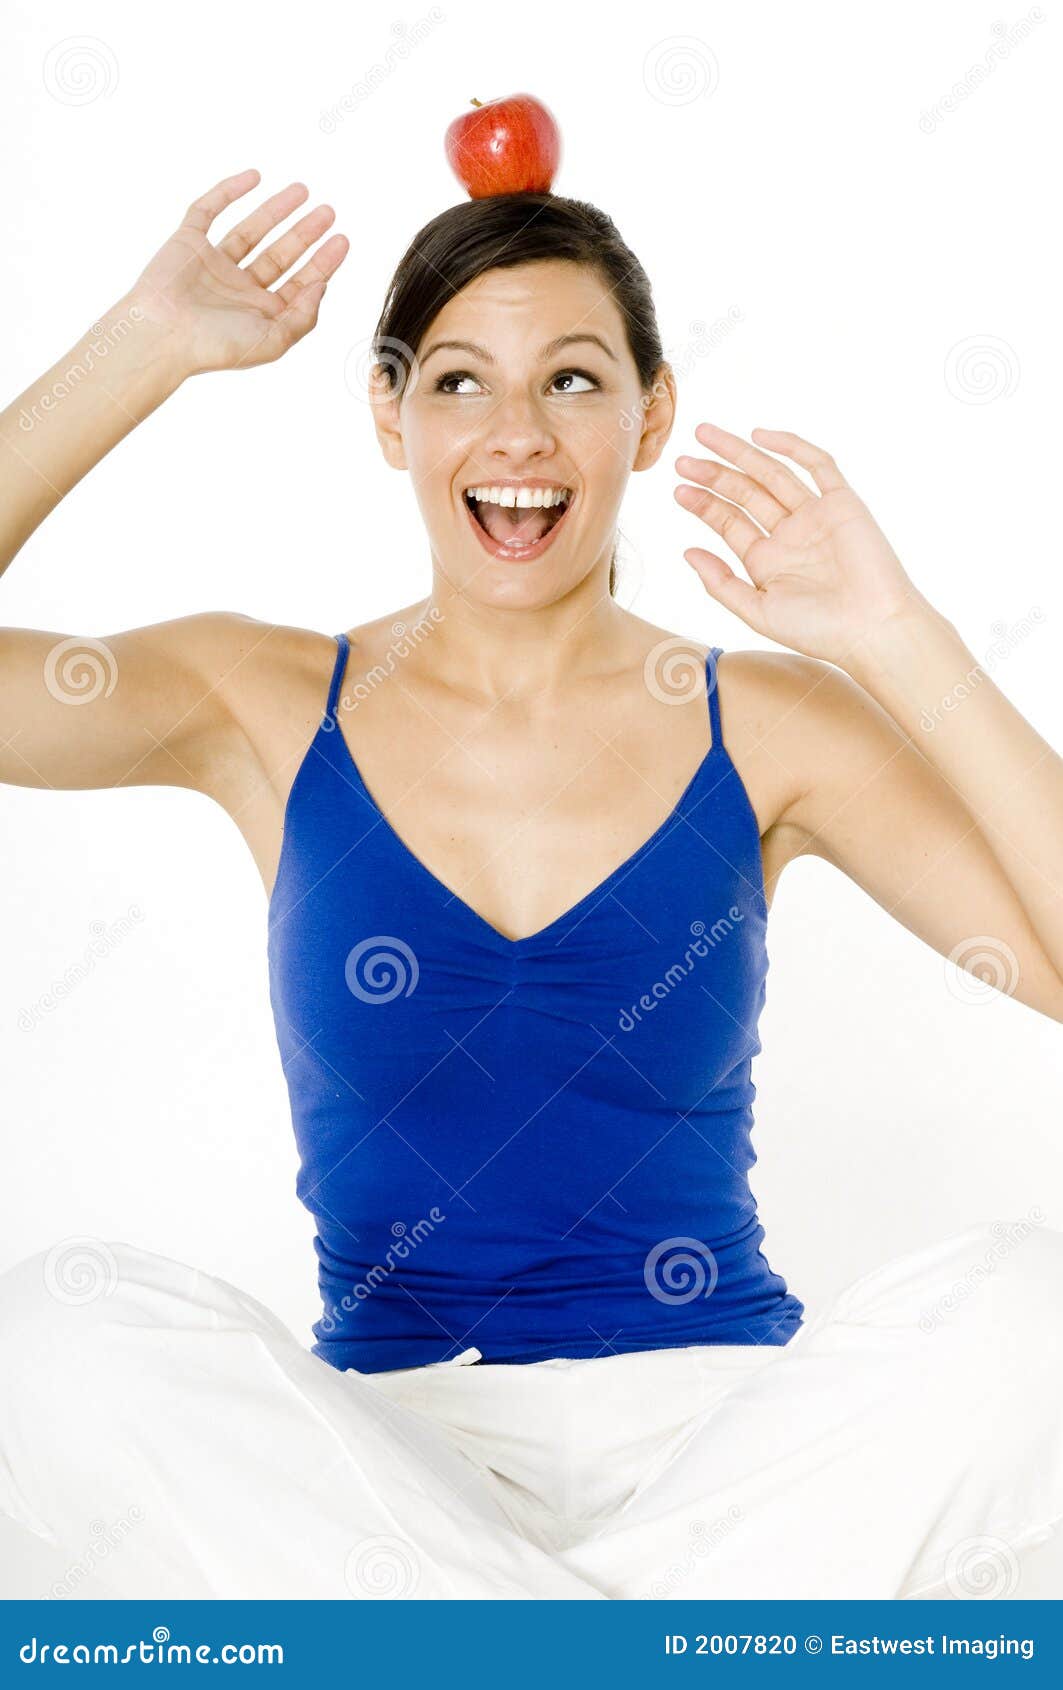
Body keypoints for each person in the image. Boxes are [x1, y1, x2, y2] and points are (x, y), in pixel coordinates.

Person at [1, 170, 1061, 1601]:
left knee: (1034, 1310)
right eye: (458, 381)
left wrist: (894, 629)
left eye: (572, 378)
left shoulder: (769, 720)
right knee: (53, 1336)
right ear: (391, 414)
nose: (517, 435)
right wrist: (145, 342)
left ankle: (501, 1647)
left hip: (735, 1452)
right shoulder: (258, 697)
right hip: (384, 1457)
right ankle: (628, 1644)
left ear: (652, 414)